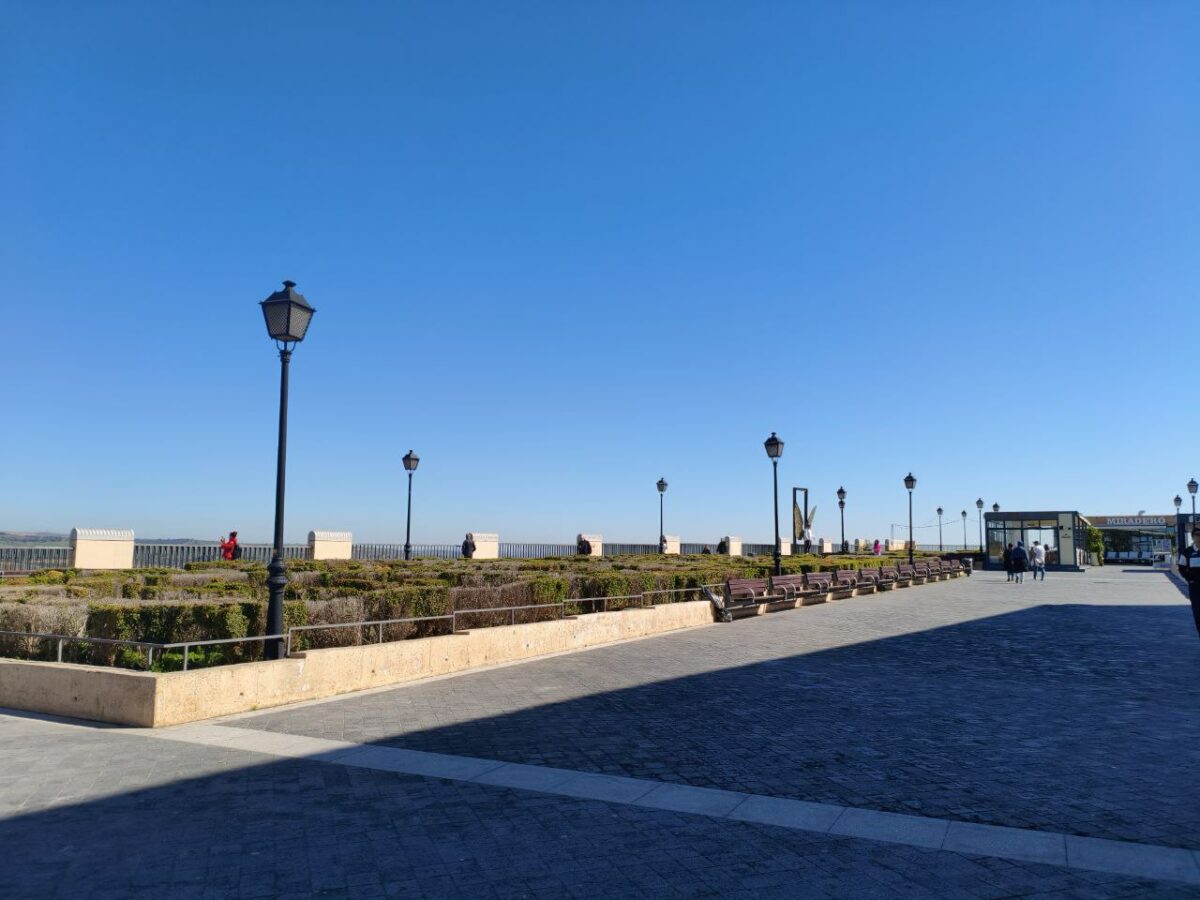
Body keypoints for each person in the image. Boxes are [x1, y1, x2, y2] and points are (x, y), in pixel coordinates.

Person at [1176, 524, 1200, 638]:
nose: (1199, 537)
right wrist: (1189, 579)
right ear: (1193, 537)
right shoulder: (1187, 552)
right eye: (1197, 535)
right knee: (1198, 612)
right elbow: (1181, 568)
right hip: (1195, 587)